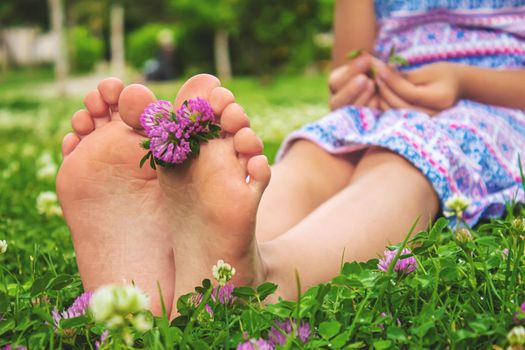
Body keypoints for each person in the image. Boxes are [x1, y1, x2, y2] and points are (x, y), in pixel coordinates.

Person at [56, 0, 525, 319]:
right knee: (313, 156)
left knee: (403, 164)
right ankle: (174, 267)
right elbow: (347, 65)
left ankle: (267, 275)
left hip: (491, 110)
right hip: (380, 106)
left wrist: (462, 82)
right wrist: (355, 83)